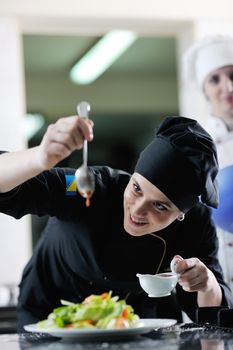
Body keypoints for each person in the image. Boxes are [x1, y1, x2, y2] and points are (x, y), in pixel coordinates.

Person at [0, 115, 232, 331]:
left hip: (136, 322)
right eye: (137, 188)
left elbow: (213, 320)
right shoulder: (87, 186)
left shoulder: (196, 224)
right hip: (50, 313)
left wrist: (206, 283)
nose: (138, 210)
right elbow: (16, 190)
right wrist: (39, 158)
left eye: (160, 206)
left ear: (181, 214)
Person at [183, 34, 233, 291]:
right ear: (204, 88)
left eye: (232, 76)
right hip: (211, 269)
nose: (228, 87)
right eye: (215, 79)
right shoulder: (192, 142)